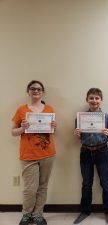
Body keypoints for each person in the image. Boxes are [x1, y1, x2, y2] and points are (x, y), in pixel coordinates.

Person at [11, 80, 57, 225]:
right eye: (33, 89)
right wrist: (23, 128)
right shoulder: (21, 110)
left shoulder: (49, 109)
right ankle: (26, 214)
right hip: (28, 155)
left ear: (42, 92)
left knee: (43, 186)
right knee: (30, 189)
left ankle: (38, 215)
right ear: (28, 91)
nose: (36, 91)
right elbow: (13, 132)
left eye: (39, 89)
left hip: (48, 153)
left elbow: (51, 131)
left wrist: (54, 126)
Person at [73, 88, 108, 225]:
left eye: (97, 98)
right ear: (87, 100)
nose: (94, 101)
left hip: (101, 152)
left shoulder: (107, 117)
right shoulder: (80, 117)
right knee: (86, 184)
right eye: (91, 98)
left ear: (101, 100)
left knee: (105, 183)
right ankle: (85, 211)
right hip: (85, 152)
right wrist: (77, 134)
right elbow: (79, 136)